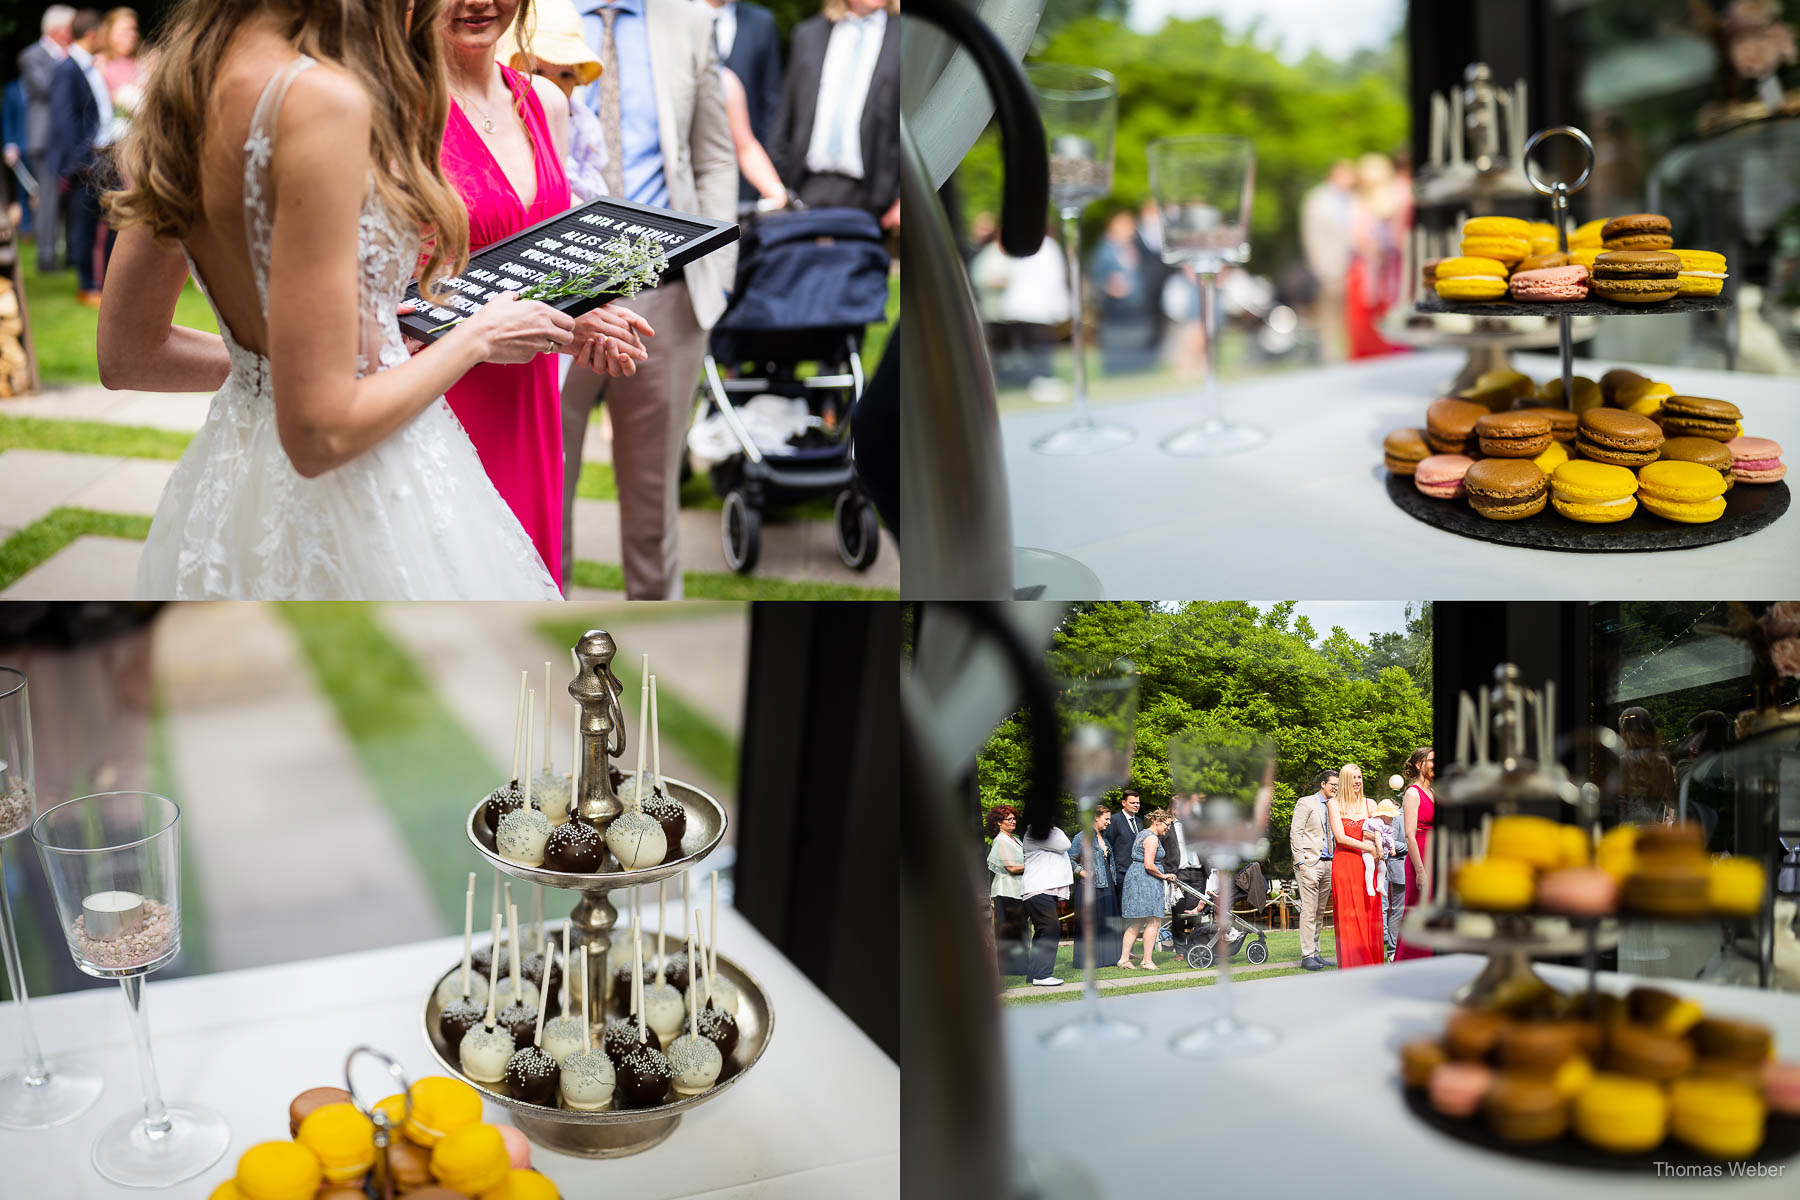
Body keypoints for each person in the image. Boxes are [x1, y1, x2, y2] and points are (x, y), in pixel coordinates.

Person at [101, 0, 587, 599]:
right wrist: (477, 336)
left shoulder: (187, 89)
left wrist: (290, 366)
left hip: (239, 488)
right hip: (371, 502)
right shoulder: (323, 101)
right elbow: (319, 436)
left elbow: (127, 352)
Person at [436, 0, 653, 584]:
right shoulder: (394, 109)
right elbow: (376, 299)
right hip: (437, 401)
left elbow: (534, 263)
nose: (476, 2)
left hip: (528, 399)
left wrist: (580, 315)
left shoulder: (547, 104)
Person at [559, 0, 737, 598]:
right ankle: (546, 609)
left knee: (654, 497)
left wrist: (716, 266)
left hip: (663, 293)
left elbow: (713, 153)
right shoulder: (530, 12)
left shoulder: (688, 21)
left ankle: (654, 629)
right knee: (541, 492)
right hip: (553, 296)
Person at [769, 0, 899, 228]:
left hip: (873, 195)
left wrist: (902, 198)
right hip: (805, 187)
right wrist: (778, 183)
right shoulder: (808, 34)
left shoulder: (906, 36)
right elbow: (785, 116)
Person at [49, 8, 112, 306]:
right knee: (84, 227)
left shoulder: (88, 66)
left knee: (114, 221)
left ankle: (108, 284)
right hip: (86, 162)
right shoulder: (67, 68)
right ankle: (87, 287)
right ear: (91, 34)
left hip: (103, 156)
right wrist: (81, 162)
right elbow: (63, 120)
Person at [702, 0, 784, 205]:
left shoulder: (727, 82)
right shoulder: (672, 18)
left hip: (743, 174)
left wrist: (772, 186)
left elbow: (746, 142)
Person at [19, 6, 74, 272]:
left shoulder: (67, 56)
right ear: (58, 29)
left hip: (67, 139)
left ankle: (70, 254)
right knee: (48, 199)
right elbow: (45, 88)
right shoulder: (31, 56)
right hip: (45, 139)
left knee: (71, 200)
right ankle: (46, 258)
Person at [1326, 762, 1385, 968]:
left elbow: (1382, 832)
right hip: (1345, 864)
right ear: (1344, 782)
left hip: (1367, 866)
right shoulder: (1333, 804)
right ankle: (1355, 966)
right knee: (1350, 917)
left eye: (1360, 777)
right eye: (1353, 778)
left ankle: (1373, 965)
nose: (1357, 782)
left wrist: (1377, 846)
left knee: (1369, 914)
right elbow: (1340, 838)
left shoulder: (1370, 804)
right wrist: (1367, 846)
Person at [1299, 159, 1354, 361]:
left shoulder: (1352, 199)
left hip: (1354, 268)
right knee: (1329, 319)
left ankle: (1349, 357)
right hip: (1329, 267)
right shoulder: (1317, 199)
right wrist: (1320, 267)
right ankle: (1330, 360)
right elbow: (1311, 236)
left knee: (1350, 319)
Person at [1289, 768, 1337, 971]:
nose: (1336, 787)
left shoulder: (1335, 805)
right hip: (1309, 863)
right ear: (1323, 784)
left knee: (1319, 912)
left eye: (1338, 784)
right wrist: (1300, 862)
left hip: (1329, 863)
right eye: (1333, 784)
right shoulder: (1306, 802)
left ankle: (1316, 953)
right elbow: (1295, 832)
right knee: (1309, 910)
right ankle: (1307, 955)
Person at [1118, 807, 1174, 970]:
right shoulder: (1152, 839)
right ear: (1157, 822)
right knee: (1154, 920)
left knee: (1136, 921)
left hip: (1138, 878)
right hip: (1145, 880)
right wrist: (1164, 876)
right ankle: (1147, 961)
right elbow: (1149, 865)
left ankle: (1123, 959)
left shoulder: (1142, 834)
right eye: (1167, 824)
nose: (1168, 828)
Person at [1393, 747, 1435, 961]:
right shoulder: (1412, 793)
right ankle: (1408, 962)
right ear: (1420, 765)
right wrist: (1420, 871)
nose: (1435, 765)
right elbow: (1409, 835)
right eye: (1431, 760)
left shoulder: (1433, 792)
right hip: (1419, 860)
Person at [1020, 823, 1072, 987]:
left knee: (1043, 930)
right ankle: (1042, 975)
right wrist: (1055, 827)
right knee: (1051, 928)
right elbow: (1065, 844)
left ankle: (1034, 974)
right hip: (1038, 888)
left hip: (1042, 888)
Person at [1067, 803, 1116, 967]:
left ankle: (1107, 959)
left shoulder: (1105, 837)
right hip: (1089, 886)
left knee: (1105, 921)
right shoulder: (1080, 837)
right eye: (1106, 819)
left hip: (1107, 883)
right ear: (1096, 817)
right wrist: (1083, 873)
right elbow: (1069, 859)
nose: (1109, 822)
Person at [984, 804, 1025, 976]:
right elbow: (1011, 867)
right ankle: (1009, 969)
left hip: (1017, 890)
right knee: (1007, 932)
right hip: (1005, 891)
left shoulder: (1015, 838)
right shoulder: (1001, 840)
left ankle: (1020, 967)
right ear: (999, 823)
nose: (1013, 821)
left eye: (1014, 818)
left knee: (1018, 930)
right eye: (1009, 819)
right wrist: (1033, 866)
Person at [1159, 795, 1207, 940]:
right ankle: (1180, 949)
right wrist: (1167, 872)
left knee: (1196, 912)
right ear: (1174, 810)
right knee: (1178, 913)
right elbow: (1160, 852)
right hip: (1178, 873)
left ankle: (1195, 945)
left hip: (1198, 873)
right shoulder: (1168, 828)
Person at [1372, 798, 1407, 958]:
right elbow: (1390, 841)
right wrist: (1414, 846)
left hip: (1420, 867)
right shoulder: (1398, 817)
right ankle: (1392, 950)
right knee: (1399, 911)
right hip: (1400, 867)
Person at [1102, 789, 1144, 894]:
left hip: (1138, 872)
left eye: (1138, 803)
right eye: (1132, 803)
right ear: (1123, 803)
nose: (1136, 805)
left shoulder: (1139, 822)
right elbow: (1107, 845)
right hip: (1121, 873)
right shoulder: (1114, 820)